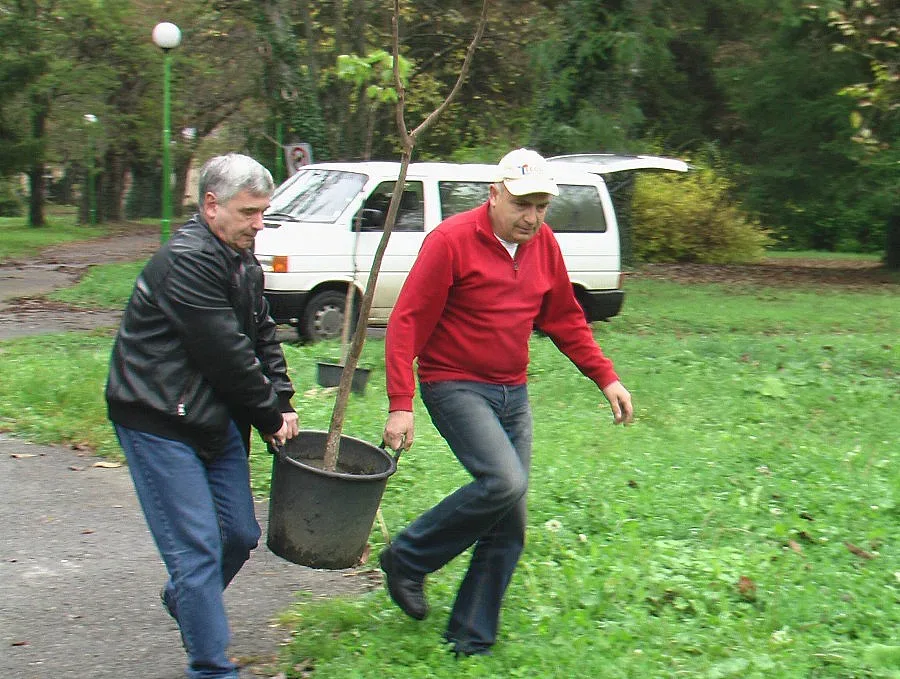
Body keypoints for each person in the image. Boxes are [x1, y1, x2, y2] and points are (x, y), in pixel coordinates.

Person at [380, 148, 634, 657]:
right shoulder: (450, 242)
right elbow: (407, 319)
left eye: (541, 206)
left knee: (510, 517)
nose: (532, 217)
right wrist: (400, 401)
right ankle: (407, 558)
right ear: (494, 195)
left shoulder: (543, 247)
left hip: (511, 391)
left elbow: (564, 316)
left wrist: (605, 378)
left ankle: (469, 639)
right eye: (522, 204)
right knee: (504, 482)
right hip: (454, 383)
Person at [105, 153, 299, 679]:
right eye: (248, 212)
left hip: (212, 418)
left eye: (264, 212)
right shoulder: (186, 260)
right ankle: (212, 668)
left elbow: (262, 336)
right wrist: (266, 414)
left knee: (237, 536)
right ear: (210, 206)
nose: (259, 224)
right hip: (157, 417)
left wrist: (282, 399)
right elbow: (225, 353)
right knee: (195, 551)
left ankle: (187, 600)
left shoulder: (243, 261)